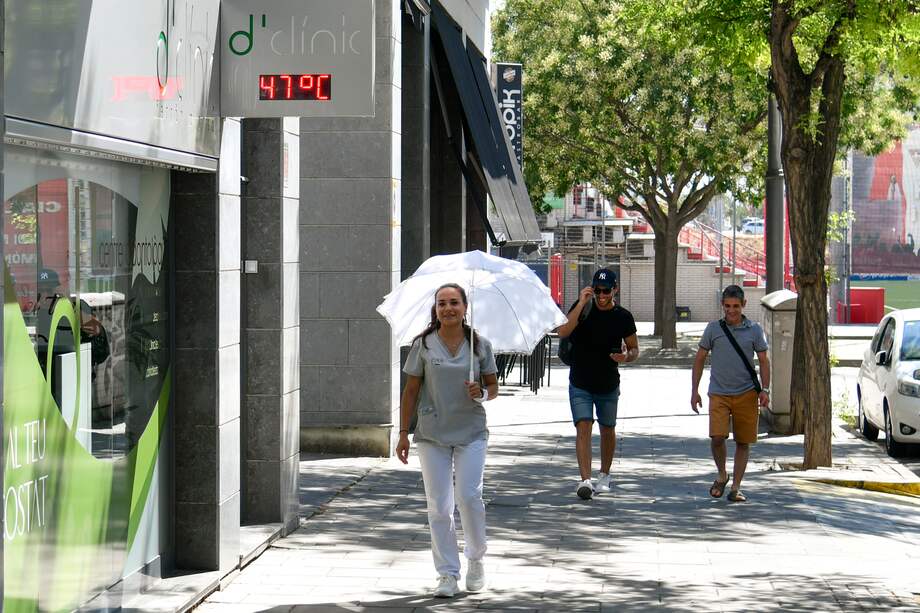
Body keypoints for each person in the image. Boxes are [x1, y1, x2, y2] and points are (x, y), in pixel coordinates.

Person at [396, 283, 499, 598]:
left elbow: (492, 387)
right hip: (433, 435)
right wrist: (403, 432)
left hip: (471, 432)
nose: (448, 308)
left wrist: (479, 392)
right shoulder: (424, 345)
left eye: (454, 302)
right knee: (439, 507)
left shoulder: (480, 345)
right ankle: (447, 575)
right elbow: (411, 390)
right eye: (442, 303)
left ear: (465, 307)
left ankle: (476, 558)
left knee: (468, 497)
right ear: (436, 309)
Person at [556, 268, 639, 500]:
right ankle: (585, 480)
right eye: (598, 290)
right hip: (580, 381)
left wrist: (626, 357)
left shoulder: (623, 316)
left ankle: (604, 474)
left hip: (608, 383)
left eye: (606, 291)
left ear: (615, 290)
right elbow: (562, 331)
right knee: (583, 426)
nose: (602, 296)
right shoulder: (583, 308)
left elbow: (634, 349)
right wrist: (582, 303)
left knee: (607, 429)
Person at [691, 285, 770, 503]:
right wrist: (694, 391)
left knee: (743, 442)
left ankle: (735, 487)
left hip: (746, 393)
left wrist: (765, 390)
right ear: (722, 306)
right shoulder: (713, 329)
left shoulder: (754, 330)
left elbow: (764, 361)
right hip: (718, 393)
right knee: (717, 438)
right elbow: (699, 359)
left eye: (736, 306)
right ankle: (722, 474)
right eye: (727, 306)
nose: (731, 310)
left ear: (743, 305)